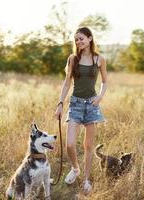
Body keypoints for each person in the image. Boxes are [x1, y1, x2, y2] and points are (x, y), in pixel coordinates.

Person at [54, 26, 107, 195]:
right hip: (75, 104)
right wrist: (60, 103)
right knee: (70, 144)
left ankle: (86, 180)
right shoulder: (73, 59)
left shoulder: (99, 59)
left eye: (81, 38)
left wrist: (99, 97)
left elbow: (105, 82)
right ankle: (75, 168)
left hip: (92, 106)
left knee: (88, 146)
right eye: (76, 39)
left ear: (90, 38)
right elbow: (67, 83)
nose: (78, 41)